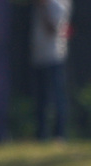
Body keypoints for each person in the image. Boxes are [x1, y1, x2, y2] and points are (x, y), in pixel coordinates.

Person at [30, 0, 72, 141]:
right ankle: (41, 134)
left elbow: (52, 29)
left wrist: (43, 9)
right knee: (41, 98)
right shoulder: (43, 6)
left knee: (57, 97)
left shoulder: (58, 4)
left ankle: (60, 134)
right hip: (39, 57)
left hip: (54, 57)